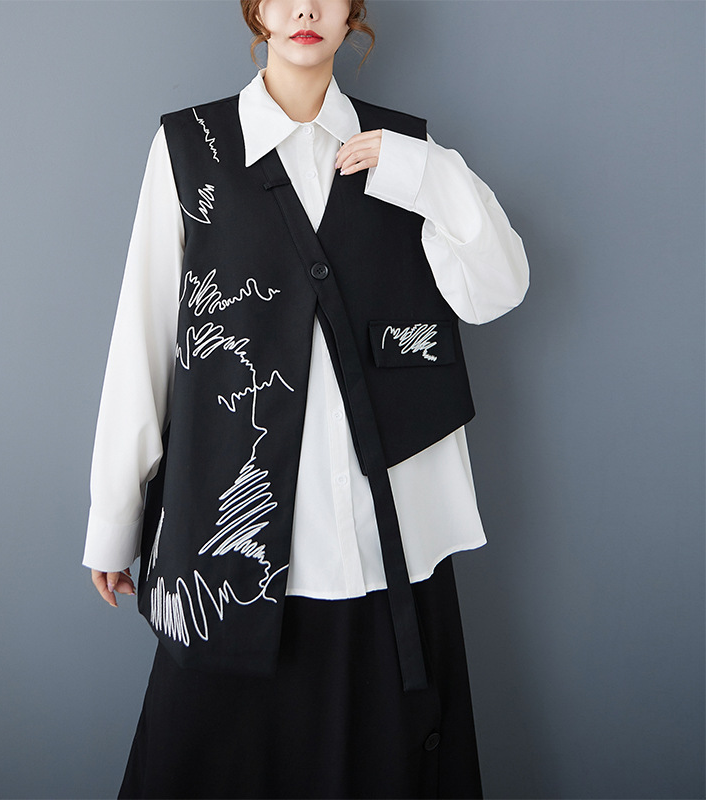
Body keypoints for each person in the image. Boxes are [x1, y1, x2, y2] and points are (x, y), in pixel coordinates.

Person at [83, 1, 529, 797]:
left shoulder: (405, 153)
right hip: (232, 554)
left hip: (385, 552)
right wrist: (115, 518)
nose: (305, 9)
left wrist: (425, 172)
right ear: (256, 9)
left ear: (353, 12)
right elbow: (143, 340)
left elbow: (499, 289)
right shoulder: (190, 147)